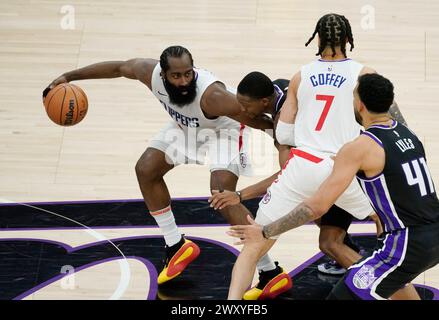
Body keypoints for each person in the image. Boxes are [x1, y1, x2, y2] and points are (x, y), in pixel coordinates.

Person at [210, 13, 418, 300]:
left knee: (255, 242)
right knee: (382, 216)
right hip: (340, 168)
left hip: (302, 167)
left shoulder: (300, 75)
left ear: (317, 39)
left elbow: (284, 135)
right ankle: (387, 276)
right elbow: (395, 124)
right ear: (348, 40)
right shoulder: (364, 73)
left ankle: (232, 303)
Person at [43, 45, 273, 285]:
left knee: (222, 197)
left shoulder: (213, 96)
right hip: (189, 127)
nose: (184, 81)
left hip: (225, 130)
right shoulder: (149, 73)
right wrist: (69, 77)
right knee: (146, 169)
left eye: (188, 73)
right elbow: (118, 68)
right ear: (163, 75)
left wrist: (288, 141)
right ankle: (176, 244)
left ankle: (269, 272)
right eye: (176, 75)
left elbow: (260, 119)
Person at [228, 73, 439, 300]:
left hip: (405, 244)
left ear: (359, 105)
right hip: (432, 234)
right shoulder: (409, 135)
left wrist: (265, 231)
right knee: (392, 278)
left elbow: (315, 208)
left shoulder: (360, 147)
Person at [235, 71, 381, 278]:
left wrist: (243, 194)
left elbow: (287, 173)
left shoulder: (283, 122)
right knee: (321, 213)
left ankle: (377, 279)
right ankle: (370, 257)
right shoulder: (281, 85)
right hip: (346, 156)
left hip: (341, 171)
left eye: (246, 106)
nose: (243, 111)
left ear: (264, 101)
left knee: (329, 241)